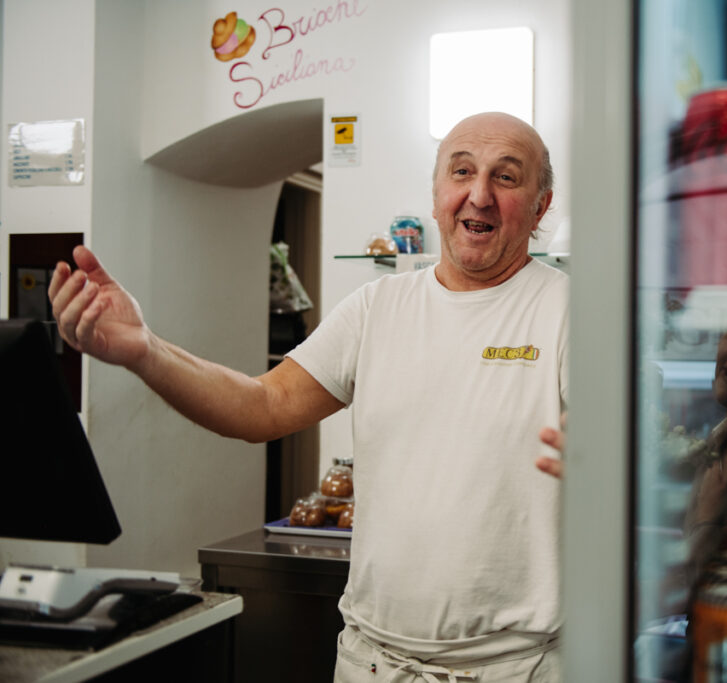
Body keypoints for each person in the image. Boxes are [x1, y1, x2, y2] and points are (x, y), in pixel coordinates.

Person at [48, 111, 568, 682]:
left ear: (540, 207)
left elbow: (642, 461)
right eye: (462, 171)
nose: (479, 195)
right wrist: (144, 351)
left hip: (519, 668)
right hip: (372, 661)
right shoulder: (378, 308)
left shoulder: (571, 312)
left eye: (507, 177)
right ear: (438, 189)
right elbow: (262, 407)